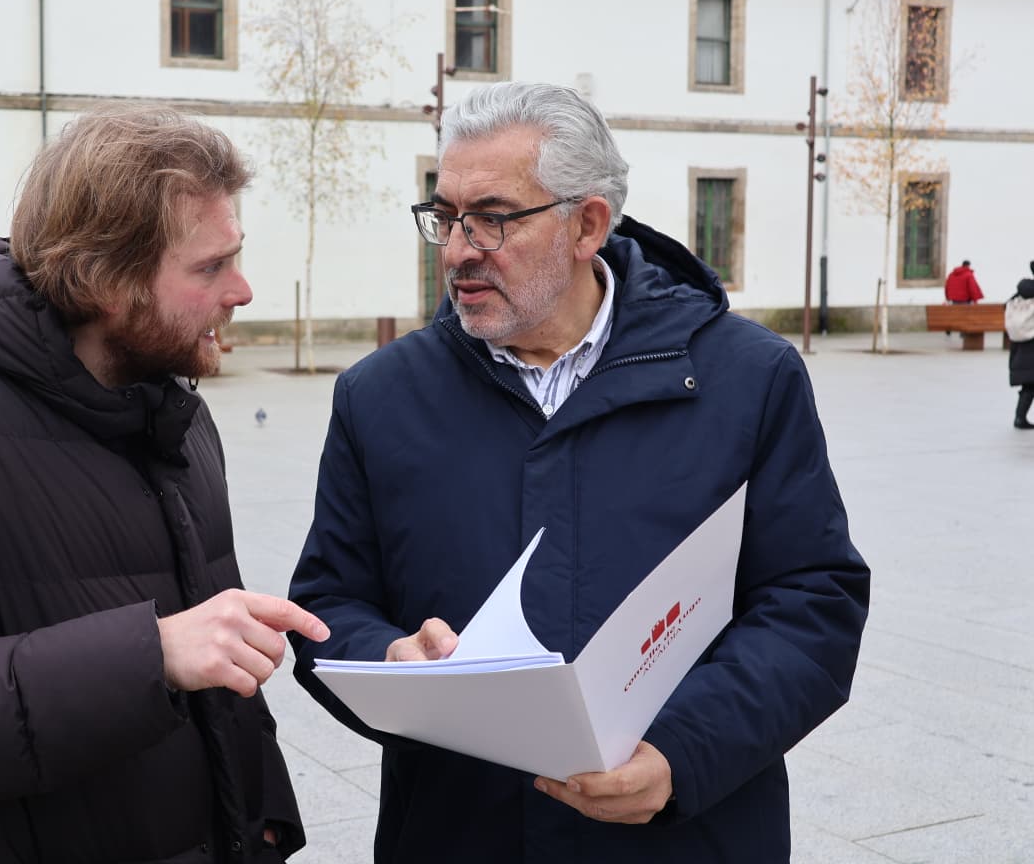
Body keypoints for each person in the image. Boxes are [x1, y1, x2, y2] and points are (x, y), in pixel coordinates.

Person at [288, 82, 870, 863]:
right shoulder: (381, 395)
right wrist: (391, 658)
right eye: (447, 216)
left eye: (493, 217)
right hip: (460, 834)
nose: (459, 248)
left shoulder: (749, 378)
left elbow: (812, 603)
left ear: (587, 224)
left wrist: (679, 756)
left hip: (691, 835)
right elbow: (328, 604)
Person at [0, 104, 329, 864]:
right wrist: (147, 655)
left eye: (236, 256)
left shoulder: (177, 416)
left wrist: (262, 826)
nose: (243, 290)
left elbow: (215, 690)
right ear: (103, 283)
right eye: (209, 267)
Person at [1006, 260, 1034, 429]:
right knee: (1030, 385)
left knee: (1029, 385)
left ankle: (1019, 417)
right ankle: (1020, 418)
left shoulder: (1018, 295)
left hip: (1020, 346)